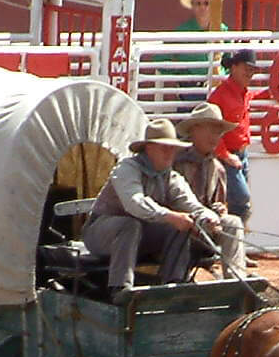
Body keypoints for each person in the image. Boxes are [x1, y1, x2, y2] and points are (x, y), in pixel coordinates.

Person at [82, 117, 239, 297]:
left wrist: (207, 217)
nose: (169, 153)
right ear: (149, 148)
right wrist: (170, 216)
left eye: (172, 148)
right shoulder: (127, 169)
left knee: (182, 224)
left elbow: (189, 203)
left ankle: (174, 284)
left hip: (142, 236)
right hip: (102, 235)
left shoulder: (170, 177)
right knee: (130, 225)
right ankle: (121, 289)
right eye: (164, 148)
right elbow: (135, 202)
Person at [173, 102, 248, 275]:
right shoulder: (175, 161)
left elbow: (220, 204)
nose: (215, 137)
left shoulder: (217, 168)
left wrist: (221, 210)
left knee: (233, 222)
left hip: (207, 229)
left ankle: (236, 278)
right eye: (211, 130)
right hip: (178, 227)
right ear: (194, 130)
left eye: (219, 132)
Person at [207, 48, 260, 220]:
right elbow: (210, 128)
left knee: (240, 201)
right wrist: (226, 155)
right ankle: (234, 235)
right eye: (247, 68)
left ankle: (234, 237)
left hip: (240, 153)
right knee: (242, 198)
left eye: (252, 70)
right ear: (234, 67)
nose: (250, 74)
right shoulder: (220, 96)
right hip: (229, 155)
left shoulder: (243, 93)